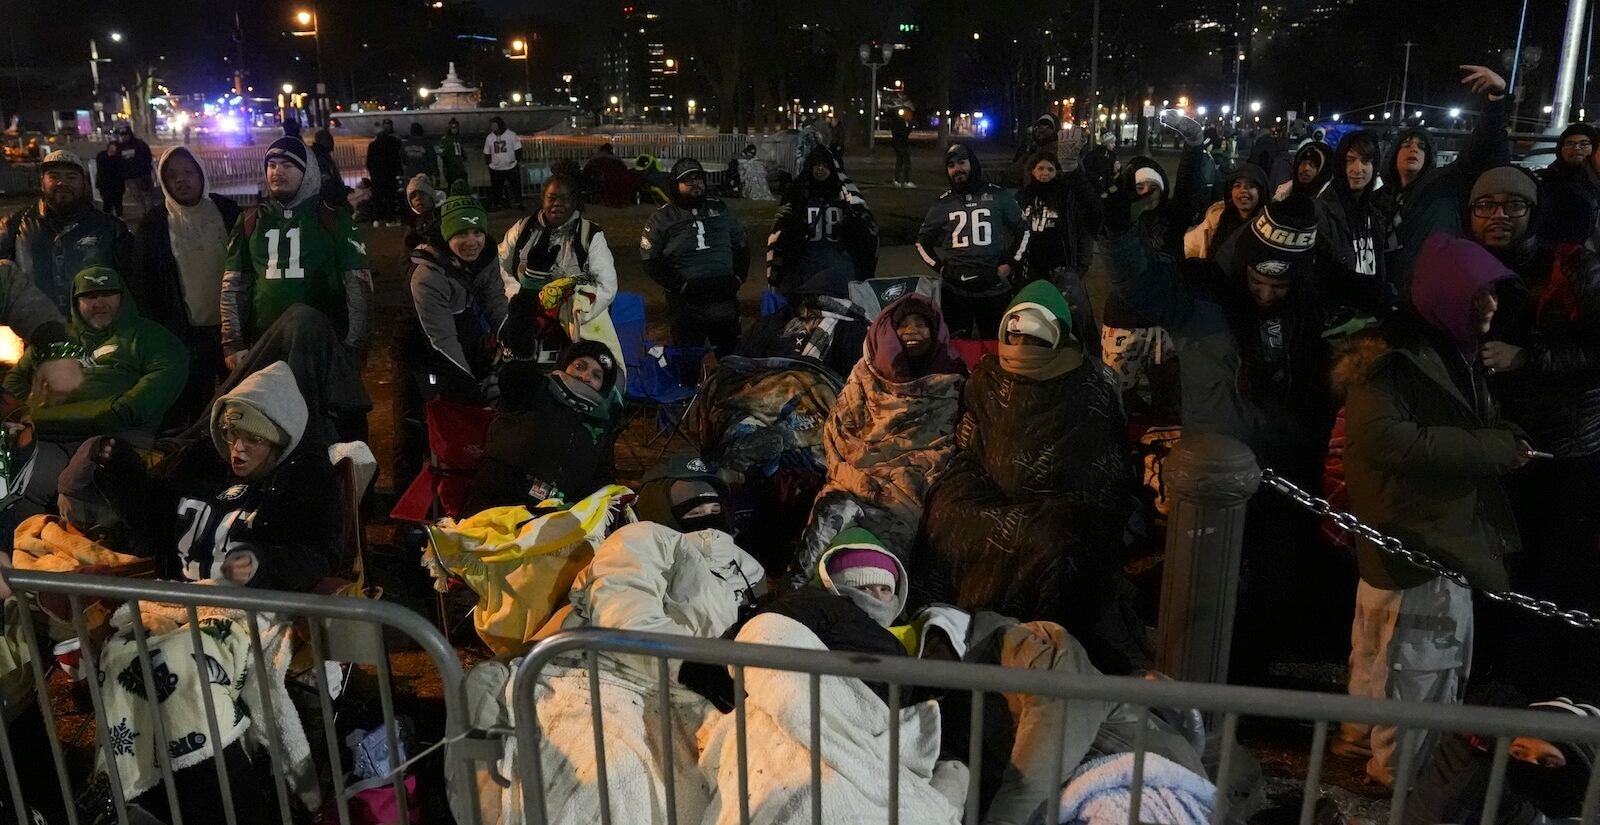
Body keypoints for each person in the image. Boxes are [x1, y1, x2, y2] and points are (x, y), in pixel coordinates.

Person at [1331, 233, 1525, 787]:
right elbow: (1387, 441)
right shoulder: (1397, 360)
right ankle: (1402, 777)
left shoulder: (1446, 348)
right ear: (1445, 295)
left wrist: (1504, 437)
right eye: (1478, 294)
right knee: (1421, 662)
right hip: (1420, 535)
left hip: (1412, 530)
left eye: (1492, 294)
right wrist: (1494, 449)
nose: (1490, 305)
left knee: (1381, 650)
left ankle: (1361, 738)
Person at [914, 281, 1145, 672]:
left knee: (1056, 545)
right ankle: (954, 629)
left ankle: (1041, 642)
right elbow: (970, 446)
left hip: (1062, 503)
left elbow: (1105, 468)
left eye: (1034, 336)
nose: (1022, 344)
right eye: (1015, 333)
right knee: (945, 514)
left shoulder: (1090, 383)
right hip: (988, 492)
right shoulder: (987, 378)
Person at [1470, 164, 1600, 696]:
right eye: (1486, 206)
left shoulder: (1572, 269)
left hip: (1565, 451)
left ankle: (1532, 688)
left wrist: (1529, 357)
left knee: (1548, 573)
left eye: (1513, 205)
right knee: (1499, 565)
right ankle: (1494, 673)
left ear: (1533, 211)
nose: (1498, 216)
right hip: (1503, 444)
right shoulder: (1470, 265)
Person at [911, 606, 1207, 825]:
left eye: (932, 646)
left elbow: (1056, 727)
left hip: (1141, 776)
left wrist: (1004, 820)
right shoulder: (953, 704)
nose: (928, 661)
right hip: (1085, 794)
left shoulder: (1029, 644)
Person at [0, 266, 187, 539]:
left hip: (114, 439)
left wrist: (111, 411)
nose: (99, 303)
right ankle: (22, 553)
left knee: (83, 478)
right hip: (50, 438)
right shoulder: (59, 341)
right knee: (19, 476)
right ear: (76, 301)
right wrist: (26, 411)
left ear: (122, 297)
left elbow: (159, 382)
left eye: (107, 294)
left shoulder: (150, 337)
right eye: (90, 296)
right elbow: (15, 382)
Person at [792, 294, 965, 576]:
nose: (912, 330)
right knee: (830, 510)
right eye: (903, 325)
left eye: (921, 323)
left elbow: (948, 441)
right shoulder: (865, 375)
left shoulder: (952, 379)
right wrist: (864, 473)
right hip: (856, 473)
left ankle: (889, 588)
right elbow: (839, 430)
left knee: (897, 521)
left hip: (912, 481)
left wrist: (901, 473)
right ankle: (800, 585)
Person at [158, 361, 345, 590]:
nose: (238, 448)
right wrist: (119, 473)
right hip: (181, 600)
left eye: (254, 440)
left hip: (256, 612)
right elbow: (155, 522)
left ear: (280, 444)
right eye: (232, 434)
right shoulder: (204, 465)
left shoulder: (304, 481)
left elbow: (321, 554)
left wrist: (261, 564)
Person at [220, 136, 373, 372]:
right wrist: (233, 343)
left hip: (322, 345)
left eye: (287, 165)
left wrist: (355, 344)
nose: (277, 171)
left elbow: (357, 282)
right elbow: (235, 285)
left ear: (307, 171)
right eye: (272, 165)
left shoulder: (332, 218)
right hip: (265, 345)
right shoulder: (251, 219)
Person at [394, 182, 508, 489]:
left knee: (464, 421)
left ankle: (465, 487)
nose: (472, 241)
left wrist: (511, 337)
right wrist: (468, 385)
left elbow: (495, 299)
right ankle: (406, 507)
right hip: (420, 352)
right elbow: (441, 341)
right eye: (461, 234)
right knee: (417, 426)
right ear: (446, 235)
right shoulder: (427, 273)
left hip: (460, 336)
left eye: (477, 232)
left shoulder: (484, 256)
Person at [134, 146, 243, 429]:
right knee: (195, 408)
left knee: (242, 402)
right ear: (164, 182)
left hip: (234, 331)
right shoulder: (154, 226)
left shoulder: (227, 212)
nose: (181, 180)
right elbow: (146, 286)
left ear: (201, 174)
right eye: (172, 175)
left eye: (188, 172)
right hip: (187, 336)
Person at [1383, 65, 1511, 286]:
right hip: (1393, 292)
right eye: (1406, 144)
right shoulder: (1379, 199)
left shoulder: (1443, 183)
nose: (1413, 149)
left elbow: (1481, 146)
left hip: (1437, 289)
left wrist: (1496, 99)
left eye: (1421, 147)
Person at [462, 340, 622, 515]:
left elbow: (603, 475)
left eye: (596, 375)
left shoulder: (600, 423)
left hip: (557, 519)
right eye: (579, 366)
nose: (585, 376)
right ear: (565, 364)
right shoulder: (534, 389)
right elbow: (515, 373)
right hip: (497, 506)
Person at [498, 175, 623, 377]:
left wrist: (579, 312)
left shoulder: (590, 234)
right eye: (552, 198)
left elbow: (606, 283)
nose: (557, 204)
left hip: (570, 317)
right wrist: (516, 295)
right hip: (527, 311)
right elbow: (501, 264)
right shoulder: (522, 229)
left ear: (574, 202)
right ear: (542, 199)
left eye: (564, 199)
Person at [641, 157, 750, 375]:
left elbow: (742, 245)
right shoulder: (662, 217)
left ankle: (726, 399)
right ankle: (689, 400)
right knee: (688, 362)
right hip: (688, 302)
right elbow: (650, 259)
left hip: (723, 296)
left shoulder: (720, 209)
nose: (695, 183)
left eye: (698, 178)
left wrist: (738, 277)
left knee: (732, 360)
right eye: (687, 180)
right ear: (676, 184)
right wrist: (681, 286)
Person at [0, 149, 138, 315]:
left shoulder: (111, 228)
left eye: (71, 177)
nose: (62, 183)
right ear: (41, 182)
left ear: (84, 183)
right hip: (33, 332)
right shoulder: (15, 225)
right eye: (54, 176)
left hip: (98, 330)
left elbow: (134, 283)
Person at [915, 143, 1030, 338]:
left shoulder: (998, 195)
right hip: (956, 292)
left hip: (994, 288)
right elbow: (921, 243)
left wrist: (1009, 265)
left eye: (961, 162)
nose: (957, 169)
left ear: (973, 164)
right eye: (951, 165)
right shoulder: (942, 202)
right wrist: (941, 268)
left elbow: (1024, 230)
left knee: (997, 347)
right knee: (956, 350)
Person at [766, 145, 878, 298]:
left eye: (825, 166)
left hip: (840, 269)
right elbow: (779, 235)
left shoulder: (847, 199)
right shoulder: (796, 196)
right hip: (805, 270)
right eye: (816, 165)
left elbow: (868, 235)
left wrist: (852, 227)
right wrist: (795, 229)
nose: (820, 169)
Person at [1017, 151, 1102, 345]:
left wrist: (1082, 263)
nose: (1045, 173)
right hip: (1031, 268)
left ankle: (1085, 355)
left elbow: (1082, 230)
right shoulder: (1023, 196)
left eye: (1050, 169)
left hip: (1062, 267)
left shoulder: (1067, 196)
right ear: (1032, 171)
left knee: (1076, 316)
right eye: (1040, 168)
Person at [738, 268, 869, 377]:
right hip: (770, 381)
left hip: (805, 389)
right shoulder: (784, 316)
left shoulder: (850, 330)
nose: (806, 305)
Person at [1316, 130, 1388, 295]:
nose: (1358, 169)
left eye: (1366, 161)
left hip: (1370, 314)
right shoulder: (1321, 213)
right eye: (1349, 160)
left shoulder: (1374, 215)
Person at [1184, 162, 1268, 260]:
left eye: (1251, 186)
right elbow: (1188, 245)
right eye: (1237, 186)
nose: (1243, 190)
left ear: (1261, 192)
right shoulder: (1216, 219)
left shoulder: (1270, 226)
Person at [1536, 122, 1600, 249]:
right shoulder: (1548, 180)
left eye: (1584, 144)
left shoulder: (1596, 181)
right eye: (1570, 143)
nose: (1576, 148)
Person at [363, 118, 405, 226]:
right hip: (390, 175)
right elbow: (397, 159)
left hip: (377, 177)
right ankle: (390, 219)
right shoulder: (393, 142)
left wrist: (373, 174)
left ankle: (376, 219)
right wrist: (398, 171)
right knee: (390, 197)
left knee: (377, 197)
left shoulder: (372, 145)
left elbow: (368, 163)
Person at [111, 122, 154, 211]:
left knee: (148, 197)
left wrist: (145, 170)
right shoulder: (119, 147)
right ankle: (144, 214)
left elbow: (147, 157)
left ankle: (150, 213)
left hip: (143, 176)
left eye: (126, 134)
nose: (124, 137)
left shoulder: (139, 144)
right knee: (138, 198)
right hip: (130, 178)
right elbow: (118, 162)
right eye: (122, 135)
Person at [483, 116, 523, 210]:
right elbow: (487, 152)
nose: (492, 127)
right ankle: (498, 204)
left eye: (494, 125)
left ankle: (518, 203)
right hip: (496, 168)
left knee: (515, 186)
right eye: (491, 125)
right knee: (497, 188)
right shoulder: (490, 137)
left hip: (511, 166)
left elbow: (518, 149)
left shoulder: (511, 135)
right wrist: (489, 164)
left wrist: (516, 161)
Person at [1009, 113, 1061, 184]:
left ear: (1055, 131)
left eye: (1047, 127)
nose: (1041, 130)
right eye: (1038, 127)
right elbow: (1012, 172)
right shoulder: (1031, 152)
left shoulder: (1059, 152)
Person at [309, 127, 348, 209]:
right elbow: (327, 180)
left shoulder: (321, 155)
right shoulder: (320, 157)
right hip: (327, 199)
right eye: (329, 139)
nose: (332, 142)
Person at [403, 173, 442, 250]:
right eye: (413, 196)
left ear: (431, 196)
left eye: (422, 194)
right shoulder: (413, 224)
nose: (418, 198)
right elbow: (405, 255)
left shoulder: (445, 216)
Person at [93, 138, 126, 218]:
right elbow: (102, 169)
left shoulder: (119, 158)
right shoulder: (102, 156)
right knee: (107, 203)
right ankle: (107, 218)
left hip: (116, 184)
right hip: (105, 184)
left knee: (117, 202)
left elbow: (120, 170)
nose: (112, 150)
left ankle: (119, 217)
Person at [1082, 131, 1119, 195]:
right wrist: (1098, 177)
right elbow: (1086, 169)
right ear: (1106, 143)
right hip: (1096, 188)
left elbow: (1111, 172)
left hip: (1108, 188)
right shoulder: (1094, 155)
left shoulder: (1112, 155)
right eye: (1112, 143)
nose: (1114, 145)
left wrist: (1116, 169)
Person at [439, 117, 469, 188]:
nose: (455, 129)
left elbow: (461, 151)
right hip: (451, 168)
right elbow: (442, 154)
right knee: (452, 186)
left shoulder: (458, 139)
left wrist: (464, 157)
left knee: (462, 185)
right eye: (453, 127)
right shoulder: (445, 140)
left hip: (460, 168)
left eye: (456, 127)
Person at [891, 109, 915, 188]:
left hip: (899, 144)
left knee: (900, 162)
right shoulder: (900, 122)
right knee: (906, 161)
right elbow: (904, 133)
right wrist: (909, 127)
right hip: (901, 144)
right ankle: (906, 181)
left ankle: (897, 180)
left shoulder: (900, 122)